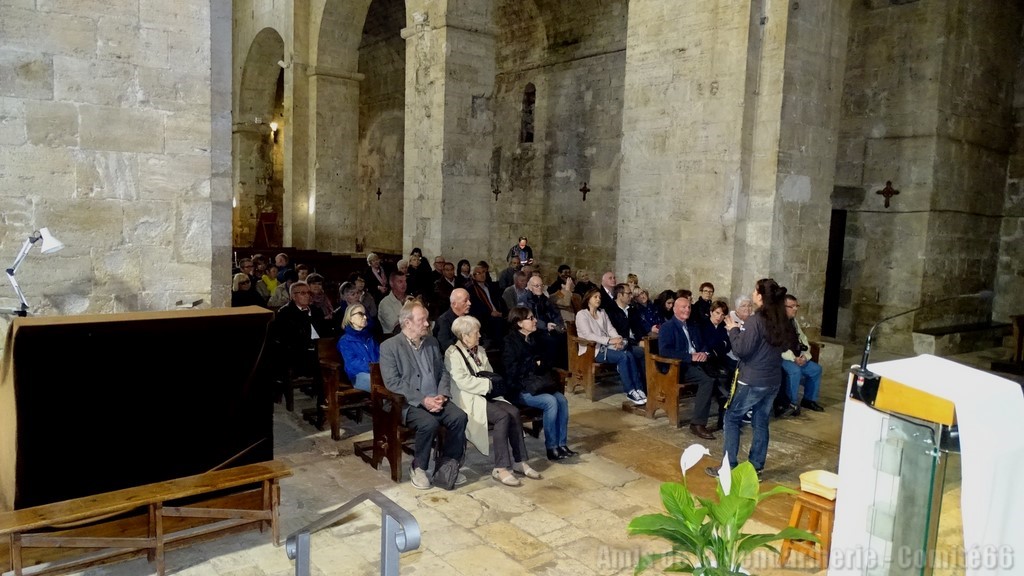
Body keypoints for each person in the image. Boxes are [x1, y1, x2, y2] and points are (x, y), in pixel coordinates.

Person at [707, 278, 796, 480]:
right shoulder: (781, 320)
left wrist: (733, 330)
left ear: (761, 296)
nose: (753, 294)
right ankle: (756, 467)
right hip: (773, 379)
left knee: (731, 418)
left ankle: (728, 468)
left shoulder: (756, 321)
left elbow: (741, 350)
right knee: (760, 421)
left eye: (755, 291)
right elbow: (784, 346)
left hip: (753, 379)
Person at [379, 300, 468, 490]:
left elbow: (442, 371)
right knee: (429, 423)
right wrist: (423, 400)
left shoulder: (431, 342)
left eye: (427, 319)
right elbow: (393, 382)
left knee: (459, 417)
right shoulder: (389, 347)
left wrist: (442, 394)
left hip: (435, 397)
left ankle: (447, 466)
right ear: (407, 323)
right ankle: (418, 467)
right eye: (422, 320)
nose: (427, 324)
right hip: (407, 403)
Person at [446, 315, 542, 486]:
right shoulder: (452, 354)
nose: (480, 335)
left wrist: (490, 385)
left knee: (513, 412)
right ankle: (500, 467)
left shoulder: (480, 351)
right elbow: (462, 382)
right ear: (465, 336)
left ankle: (520, 461)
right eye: (476, 332)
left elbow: (490, 373)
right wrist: (487, 385)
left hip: (487, 394)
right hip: (468, 398)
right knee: (501, 416)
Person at [503, 306, 576, 462]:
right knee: (550, 402)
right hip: (520, 389)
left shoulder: (536, 339)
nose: (535, 320)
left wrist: (537, 364)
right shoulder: (509, 342)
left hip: (539, 385)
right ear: (519, 323)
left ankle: (561, 444)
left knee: (562, 400)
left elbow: (547, 362)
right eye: (530, 318)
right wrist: (533, 364)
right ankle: (551, 447)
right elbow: (512, 371)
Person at [658, 297, 720, 439]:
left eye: (689, 307)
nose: (687, 310)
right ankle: (697, 424)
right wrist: (689, 357)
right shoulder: (667, 327)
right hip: (679, 367)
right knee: (707, 381)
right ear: (675, 309)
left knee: (722, 375)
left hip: (698, 363)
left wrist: (704, 353)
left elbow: (702, 344)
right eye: (683, 307)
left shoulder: (692, 325)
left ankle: (726, 417)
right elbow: (664, 351)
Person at [575, 288, 646, 405]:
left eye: (599, 297)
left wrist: (618, 339)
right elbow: (588, 335)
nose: (598, 299)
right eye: (595, 297)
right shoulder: (582, 314)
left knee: (629, 354)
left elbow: (610, 329)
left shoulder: (602, 312)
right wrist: (609, 341)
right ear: (588, 299)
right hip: (593, 350)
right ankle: (630, 390)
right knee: (623, 357)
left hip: (608, 347)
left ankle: (639, 389)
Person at [780, 295, 824, 414]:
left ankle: (809, 399)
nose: (795, 309)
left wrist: (805, 355)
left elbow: (803, 339)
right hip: (783, 358)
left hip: (797, 357)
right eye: (792, 306)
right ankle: (792, 403)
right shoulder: (777, 323)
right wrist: (793, 358)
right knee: (795, 371)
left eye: (796, 306)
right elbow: (778, 345)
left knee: (816, 369)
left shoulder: (794, 322)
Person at [519, 274, 567, 369]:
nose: (540, 288)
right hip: (535, 331)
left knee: (564, 337)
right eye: (536, 286)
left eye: (541, 285)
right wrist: (545, 326)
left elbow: (555, 313)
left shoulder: (544, 298)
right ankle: (551, 369)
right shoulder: (524, 299)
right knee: (551, 342)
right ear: (530, 287)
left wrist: (558, 325)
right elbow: (528, 318)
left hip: (548, 328)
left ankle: (563, 369)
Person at [337, 304, 379, 392]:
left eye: (365, 314)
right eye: (360, 314)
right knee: (380, 383)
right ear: (350, 318)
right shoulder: (345, 341)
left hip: (376, 372)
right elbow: (352, 363)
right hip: (358, 375)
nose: (365, 317)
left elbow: (380, 355)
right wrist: (372, 367)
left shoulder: (369, 337)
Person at [433, 288, 471, 353]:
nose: (469, 303)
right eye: (465, 301)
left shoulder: (470, 316)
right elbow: (444, 346)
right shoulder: (443, 321)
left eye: (469, 300)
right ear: (454, 304)